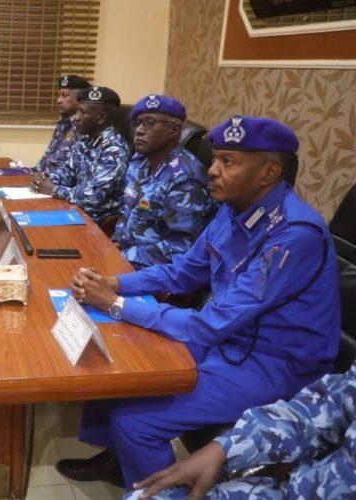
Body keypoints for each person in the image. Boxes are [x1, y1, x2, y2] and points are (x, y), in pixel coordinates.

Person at [56, 116, 341, 490]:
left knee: (134, 421)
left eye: (228, 162)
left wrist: (116, 305)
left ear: (269, 173)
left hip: (273, 364)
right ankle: (118, 461)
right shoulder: (233, 210)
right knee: (119, 358)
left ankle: (163, 492)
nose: (212, 169)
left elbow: (212, 323)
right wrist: (115, 283)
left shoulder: (293, 235)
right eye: (215, 158)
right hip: (229, 341)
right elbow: (183, 271)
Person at [128, 361, 356, 499]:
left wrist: (125, 307)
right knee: (142, 496)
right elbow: (324, 408)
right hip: (299, 490)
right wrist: (225, 448)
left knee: (134, 421)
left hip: (274, 371)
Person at [112, 94, 215, 269]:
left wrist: (122, 256)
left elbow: (180, 247)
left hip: (154, 269)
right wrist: (116, 241)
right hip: (124, 255)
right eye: (138, 123)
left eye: (150, 123)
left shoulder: (185, 178)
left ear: (174, 130)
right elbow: (127, 210)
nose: (139, 130)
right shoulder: (139, 161)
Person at [32, 86, 130, 225]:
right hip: (75, 210)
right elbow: (68, 172)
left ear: (101, 117)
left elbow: (93, 197)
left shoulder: (114, 149)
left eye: (83, 112)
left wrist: (54, 189)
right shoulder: (85, 140)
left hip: (97, 222)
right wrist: (45, 179)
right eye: (78, 111)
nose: (76, 117)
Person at [35, 74, 91, 174]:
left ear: (80, 99)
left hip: (59, 181)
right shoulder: (64, 123)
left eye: (65, 95)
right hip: (45, 178)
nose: (58, 100)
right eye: (59, 95)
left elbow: (73, 170)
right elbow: (48, 157)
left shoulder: (85, 127)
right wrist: (30, 172)